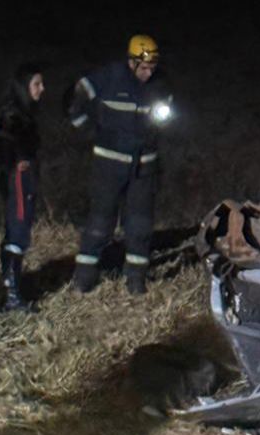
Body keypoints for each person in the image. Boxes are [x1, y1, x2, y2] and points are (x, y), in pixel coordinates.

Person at [67, 34, 173, 295]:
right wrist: (89, 130)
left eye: (152, 67)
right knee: (100, 222)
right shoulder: (110, 77)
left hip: (143, 168)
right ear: (132, 62)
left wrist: (158, 127)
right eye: (144, 67)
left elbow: (165, 116)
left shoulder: (159, 84)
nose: (149, 73)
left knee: (139, 224)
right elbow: (77, 96)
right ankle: (84, 277)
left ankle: (136, 279)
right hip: (109, 164)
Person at [0, 62, 44, 312]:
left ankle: (10, 285)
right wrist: (18, 161)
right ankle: (12, 294)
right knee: (18, 232)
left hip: (24, 179)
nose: (42, 89)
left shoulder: (23, 113)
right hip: (19, 181)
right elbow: (1, 149)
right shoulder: (13, 116)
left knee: (18, 231)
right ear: (24, 87)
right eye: (37, 84)